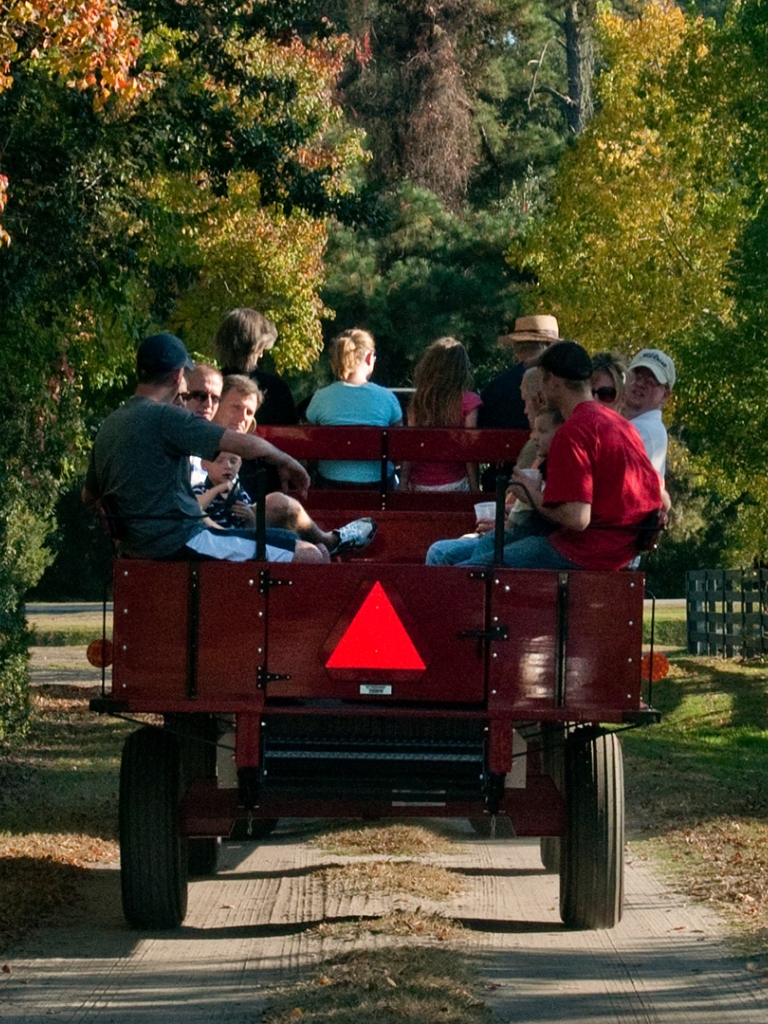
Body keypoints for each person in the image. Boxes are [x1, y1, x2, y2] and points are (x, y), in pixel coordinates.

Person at [82, 333, 325, 563]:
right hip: (183, 540)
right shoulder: (166, 417)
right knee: (309, 553)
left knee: (289, 541)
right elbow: (238, 441)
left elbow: (89, 496)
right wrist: (286, 460)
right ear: (178, 376)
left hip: (136, 548)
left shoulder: (110, 425)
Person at [426, 341, 663, 571]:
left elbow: (577, 518)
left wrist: (528, 492)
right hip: (619, 549)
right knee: (478, 551)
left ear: (554, 381)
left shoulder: (573, 431)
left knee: (466, 573)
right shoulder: (622, 426)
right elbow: (657, 496)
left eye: (542, 378)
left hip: (586, 551)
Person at [213, 374, 377, 555]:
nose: (241, 417)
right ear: (217, 405)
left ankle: (330, 541)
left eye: (249, 412)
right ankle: (330, 543)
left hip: (236, 524)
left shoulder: (250, 456)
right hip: (209, 532)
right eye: (235, 407)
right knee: (311, 553)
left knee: (285, 509)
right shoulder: (200, 440)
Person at [425, 406, 563, 566]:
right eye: (534, 431)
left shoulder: (558, 465)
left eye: (542, 431)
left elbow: (554, 517)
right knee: (442, 552)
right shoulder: (542, 459)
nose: (534, 437)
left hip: (530, 538)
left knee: (465, 565)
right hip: (518, 532)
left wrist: (526, 497)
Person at [214, 308, 297, 496]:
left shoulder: (210, 387)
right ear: (259, 349)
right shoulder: (278, 389)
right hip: (267, 485)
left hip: (216, 480)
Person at [305, 329, 402, 487]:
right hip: (378, 488)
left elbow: (310, 451)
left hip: (331, 486)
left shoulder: (320, 397)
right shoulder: (387, 398)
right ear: (370, 358)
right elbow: (399, 451)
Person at [478, 315, 560, 489]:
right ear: (551, 348)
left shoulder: (496, 386)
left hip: (501, 477)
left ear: (518, 349)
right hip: (552, 475)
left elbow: (482, 433)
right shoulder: (562, 385)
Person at [399, 338, 483, 492]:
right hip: (455, 483)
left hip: (419, 484)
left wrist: (403, 481)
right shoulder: (469, 401)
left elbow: (410, 445)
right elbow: (469, 449)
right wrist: (474, 487)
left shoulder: (418, 402)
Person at [621, 348, 675, 483]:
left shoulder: (646, 431)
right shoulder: (622, 422)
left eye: (651, 380)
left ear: (665, 394)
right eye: (637, 376)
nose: (640, 384)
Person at [193, 451, 255, 529]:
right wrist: (218, 489)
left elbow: (251, 530)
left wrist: (250, 517)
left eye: (233, 462)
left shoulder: (242, 495)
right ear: (205, 465)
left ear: (239, 465)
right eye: (219, 461)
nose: (228, 466)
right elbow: (193, 509)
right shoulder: (199, 490)